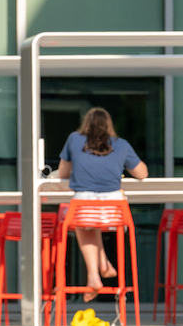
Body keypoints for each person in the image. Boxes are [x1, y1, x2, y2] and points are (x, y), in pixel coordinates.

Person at [55, 107, 149, 301]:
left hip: (84, 206)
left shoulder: (74, 139)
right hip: (114, 210)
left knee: (85, 223)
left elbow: (62, 173)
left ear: (85, 124)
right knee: (92, 221)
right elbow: (142, 174)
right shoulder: (121, 144)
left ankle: (94, 274)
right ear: (109, 125)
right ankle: (103, 264)